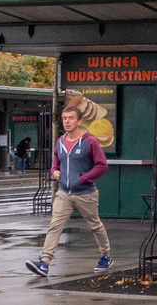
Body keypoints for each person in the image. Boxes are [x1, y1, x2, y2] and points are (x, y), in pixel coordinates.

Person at [26, 105, 113, 277]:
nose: (67, 121)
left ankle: (106, 255)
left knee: (95, 225)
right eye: (65, 118)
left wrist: (83, 179)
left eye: (71, 118)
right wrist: (54, 171)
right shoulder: (60, 141)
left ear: (79, 121)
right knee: (55, 226)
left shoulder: (89, 141)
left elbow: (102, 165)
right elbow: (56, 162)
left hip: (85, 193)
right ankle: (44, 263)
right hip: (64, 192)